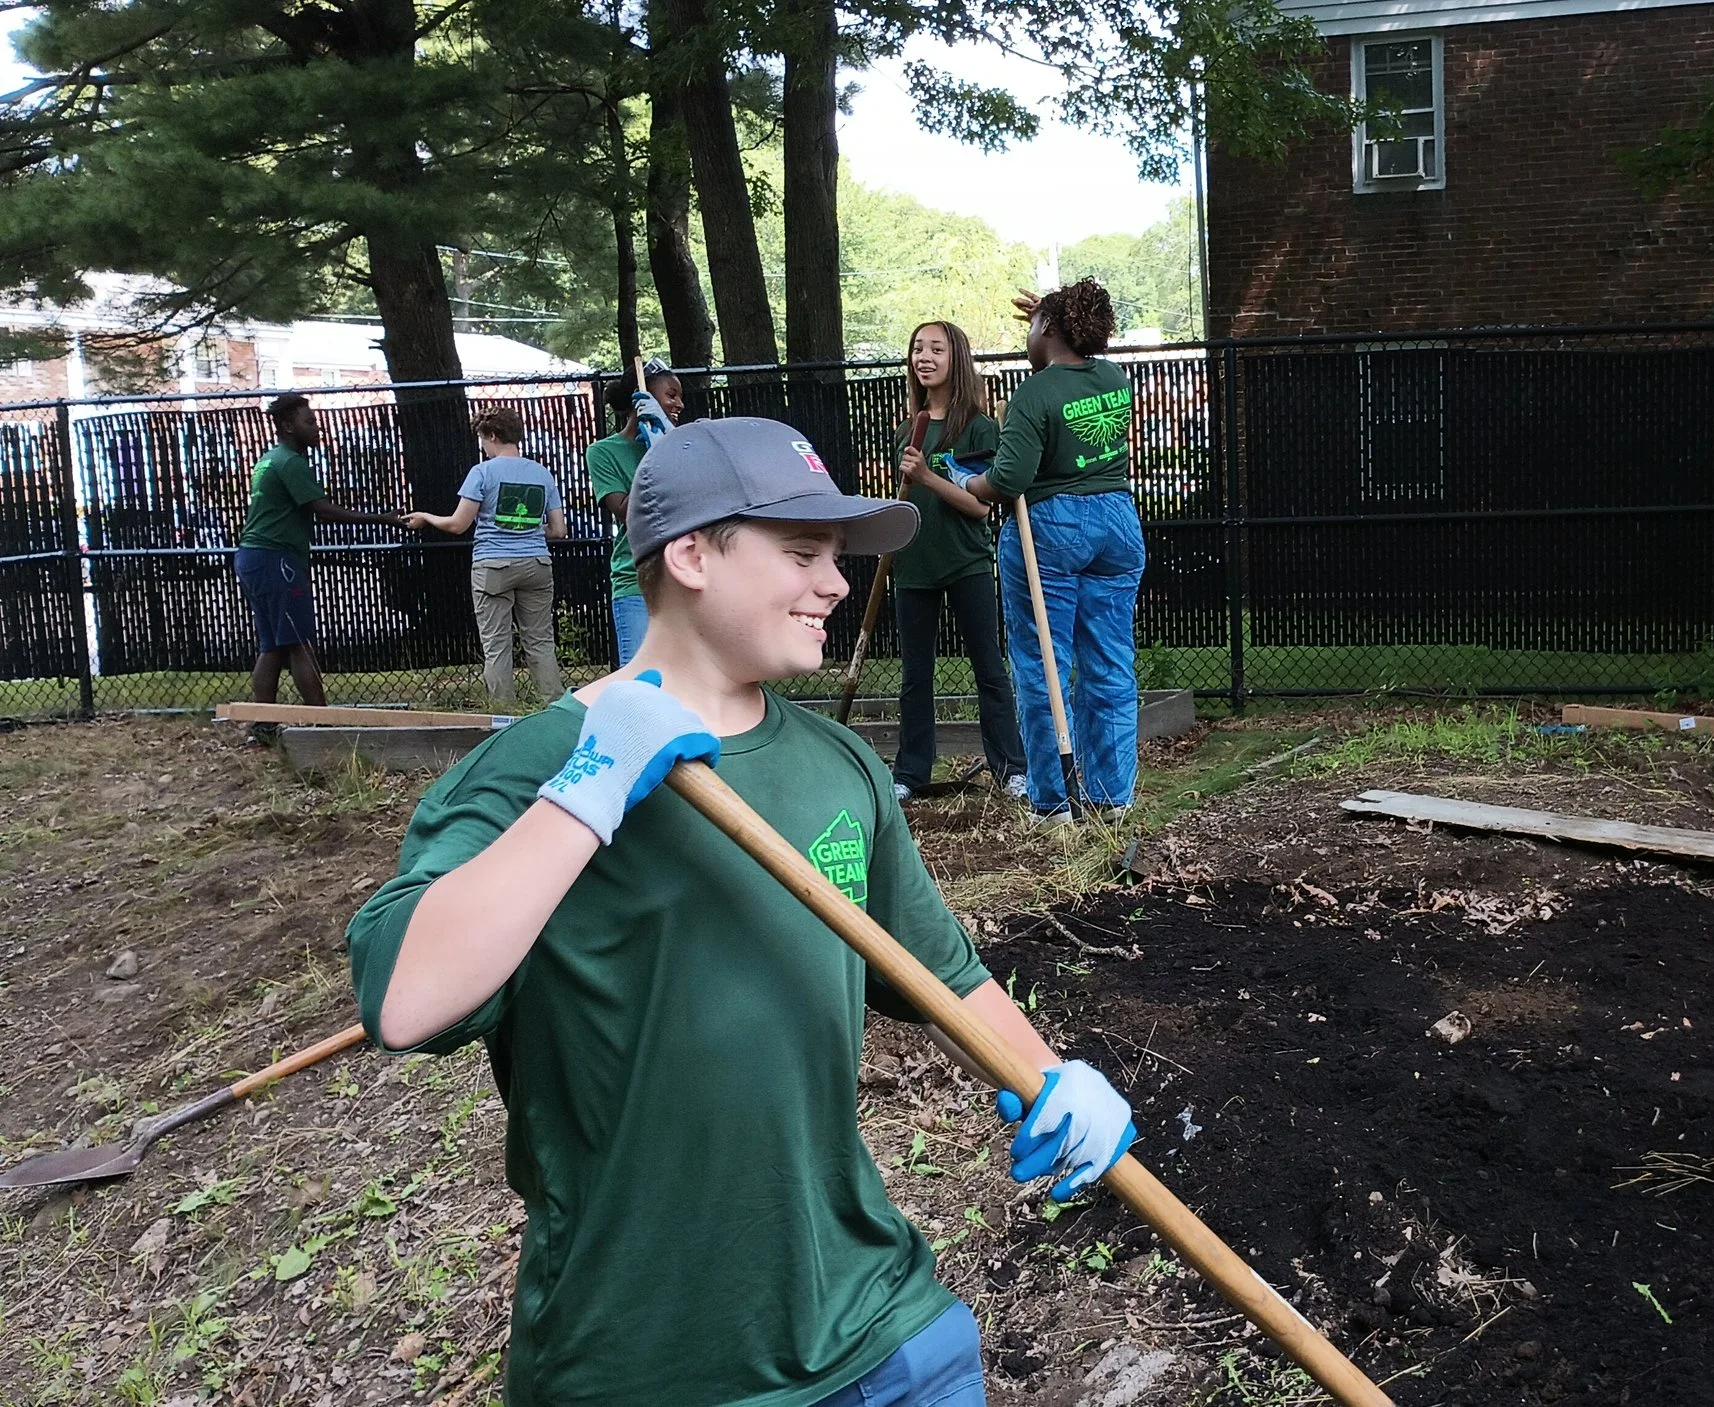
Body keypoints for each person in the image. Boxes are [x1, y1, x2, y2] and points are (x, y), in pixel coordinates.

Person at [345, 416, 1137, 1407]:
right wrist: (587, 790)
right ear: (690, 556)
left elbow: (943, 977)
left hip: (880, 1332)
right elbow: (404, 1000)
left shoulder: (839, 768)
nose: (836, 583)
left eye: (837, 556)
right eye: (803, 553)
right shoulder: (531, 770)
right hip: (642, 1364)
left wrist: (1052, 1076)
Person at [943, 279, 1143, 822]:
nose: (1027, 334)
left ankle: (1053, 802)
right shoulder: (1112, 377)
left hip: (1052, 528)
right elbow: (1069, 357)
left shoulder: (1033, 394)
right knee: (1109, 661)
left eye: (1034, 325)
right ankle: (1112, 796)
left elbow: (1007, 481)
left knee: (1042, 663)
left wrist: (965, 480)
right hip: (1117, 522)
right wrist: (1057, 316)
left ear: (1048, 327)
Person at [892, 320, 1027, 803]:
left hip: (966, 561)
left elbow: (979, 506)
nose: (924, 358)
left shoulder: (977, 426)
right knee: (915, 676)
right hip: (913, 564)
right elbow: (905, 500)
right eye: (917, 349)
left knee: (989, 667)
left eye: (936, 349)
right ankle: (910, 774)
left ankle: (1011, 769)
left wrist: (928, 476)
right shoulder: (907, 430)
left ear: (957, 359)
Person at [234, 393, 408, 707]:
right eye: (310, 422)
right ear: (288, 426)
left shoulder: (269, 458)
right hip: (276, 558)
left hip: (253, 557)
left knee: (272, 646)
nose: (318, 428)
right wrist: (382, 518)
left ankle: (263, 723)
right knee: (300, 643)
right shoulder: (290, 462)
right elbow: (322, 509)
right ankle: (320, 720)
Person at [403, 409, 571, 706]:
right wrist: (527, 529)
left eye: (482, 439)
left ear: (492, 435)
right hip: (536, 564)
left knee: (497, 645)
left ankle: (503, 713)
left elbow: (458, 524)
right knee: (541, 642)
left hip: (493, 566)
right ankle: (554, 708)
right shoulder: (541, 474)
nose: (482, 446)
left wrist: (426, 517)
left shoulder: (482, 473)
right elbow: (558, 530)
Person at [585, 366, 686, 666]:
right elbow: (629, 512)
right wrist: (656, 456)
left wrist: (670, 446)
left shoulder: (683, 445)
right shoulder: (603, 452)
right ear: (641, 399)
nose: (680, 404)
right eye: (671, 395)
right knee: (641, 680)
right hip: (636, 579)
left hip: (684, 579)